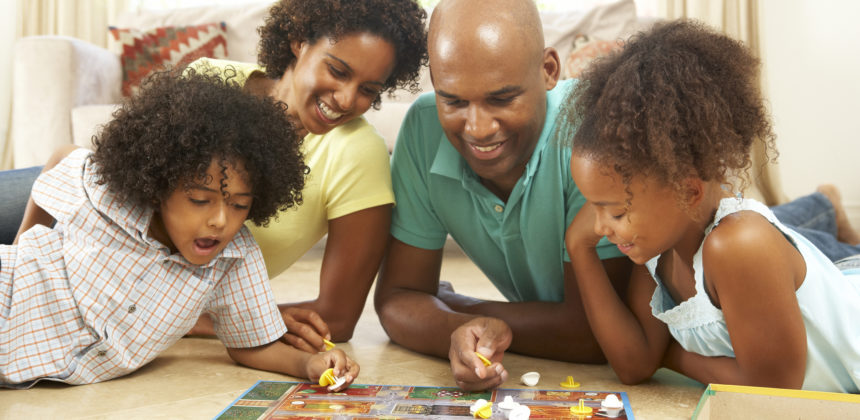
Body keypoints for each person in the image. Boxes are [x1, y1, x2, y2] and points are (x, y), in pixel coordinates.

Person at [0, 70, 359, 388]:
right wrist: (22, 244)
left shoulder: (235, 259)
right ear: (158, 187)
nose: (220, 220)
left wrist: (308, 364)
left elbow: (252, 344)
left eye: (238, 205)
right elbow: (64, 157)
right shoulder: (109, 194)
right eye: (200, 201)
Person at [562, 20, 860, 393]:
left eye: (616, 211)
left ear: (688, 193)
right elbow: (634, 364)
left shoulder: (740, 246)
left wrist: (669, 353)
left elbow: (773, 393)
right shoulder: (658, 252)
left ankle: (827, 210)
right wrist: (578, 248)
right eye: (594, 207)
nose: (601, 226)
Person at [373, 0, 631, 392]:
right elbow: (397, 301)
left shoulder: (592, 134)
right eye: (454, 100)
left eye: (501, 98)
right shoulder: (423, 129)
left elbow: (596, 334)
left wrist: (462, 307)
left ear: (549, 71)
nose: (477, 128)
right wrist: (458, 331)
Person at [182, 0, 428, 351]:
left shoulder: (357, 154)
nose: (346, 99)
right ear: (299, 41)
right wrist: (254, 319)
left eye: (368, 90)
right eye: (339, 71)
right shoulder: (207, 82)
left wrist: (215, 320)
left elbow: (338, 318)